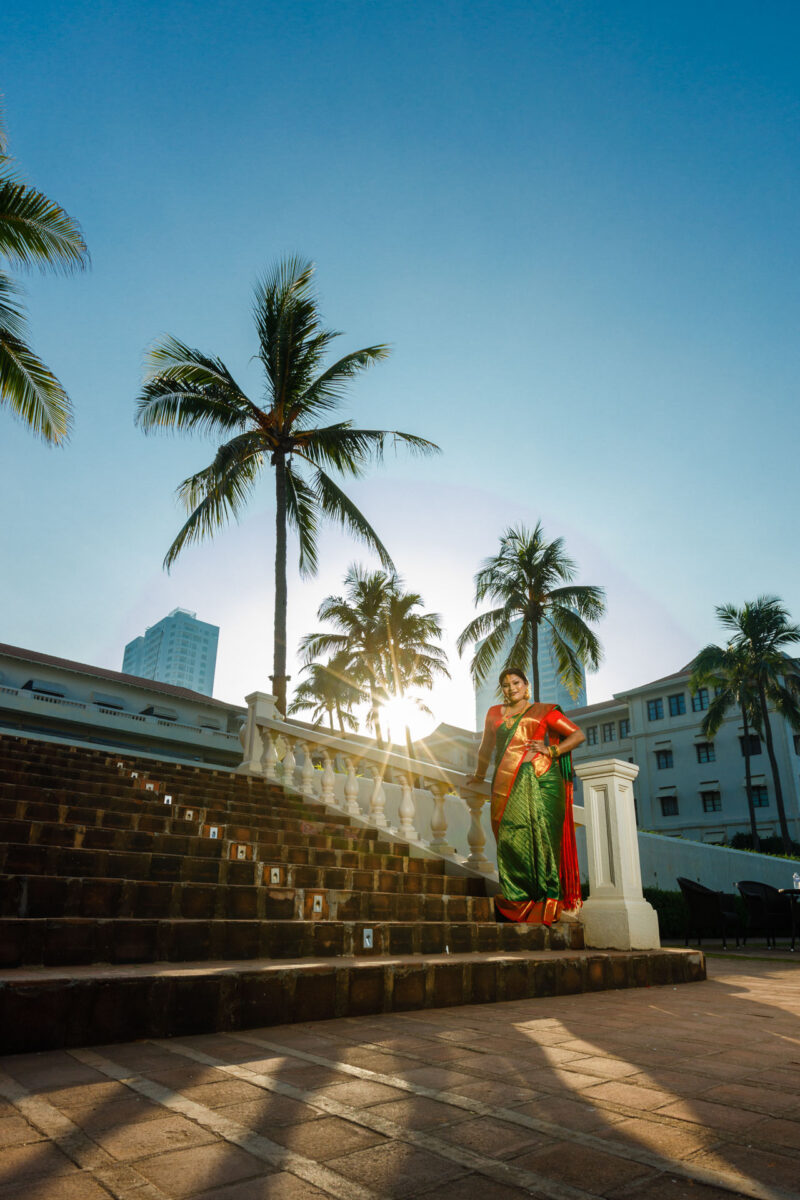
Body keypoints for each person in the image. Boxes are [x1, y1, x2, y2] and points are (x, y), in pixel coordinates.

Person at [464, 667, 585, 924]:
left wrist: (552, 751)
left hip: (543, 781)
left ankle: (547, 899)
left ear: (526, 685)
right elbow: (486, 748)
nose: (511, 688)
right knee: (510, 837)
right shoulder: (494, 713)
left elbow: (578, 735)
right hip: (506, 782)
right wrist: (479, 775)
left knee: (544, 839)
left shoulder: (544, 711)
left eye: (516, 683)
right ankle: (517, 897)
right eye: (506, 685)